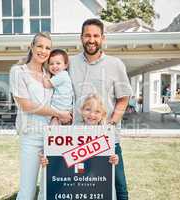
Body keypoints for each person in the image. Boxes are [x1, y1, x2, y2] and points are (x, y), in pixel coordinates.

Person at [69, 18, 133, 200]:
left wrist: (110, 124)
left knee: (119, 185)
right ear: (81, 38)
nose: (91, 40)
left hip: (108, 137)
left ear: (103, 38)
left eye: (96, 35)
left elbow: (123, 98)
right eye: (87, 35)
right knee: (81, 184)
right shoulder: (70, 64)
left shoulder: (115, 64)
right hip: (77, 137)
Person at [9, 32, 71, 200]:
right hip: (31, 136)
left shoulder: (50, 75)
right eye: (40, 46)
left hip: (52, 136)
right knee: (27, 190)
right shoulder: (18, 71)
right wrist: (58, 113)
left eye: (47, 48)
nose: (43, 50)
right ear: (32, 47)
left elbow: (62, 97)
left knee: (48, 189)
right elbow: (26, 106)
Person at [40, 93, 119, 167]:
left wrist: (114, 159)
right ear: (81, 110)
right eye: (88, 109)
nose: (92, 114)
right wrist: (48, 158)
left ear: (103, 114)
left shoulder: (106, 134)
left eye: (97, 111)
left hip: (95, 177)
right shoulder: (71, 132)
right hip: (73, 177)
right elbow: (59, 155)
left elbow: (108, 159)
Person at [43, 49, 74, 125]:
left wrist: (45, 75)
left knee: (54, 129)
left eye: (58, 63)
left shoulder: (62, 75)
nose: (54, 66)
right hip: (63, 110)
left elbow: (46, 85)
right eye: (51, 64)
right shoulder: (60, 75)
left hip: (61, 109)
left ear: (65, 65)